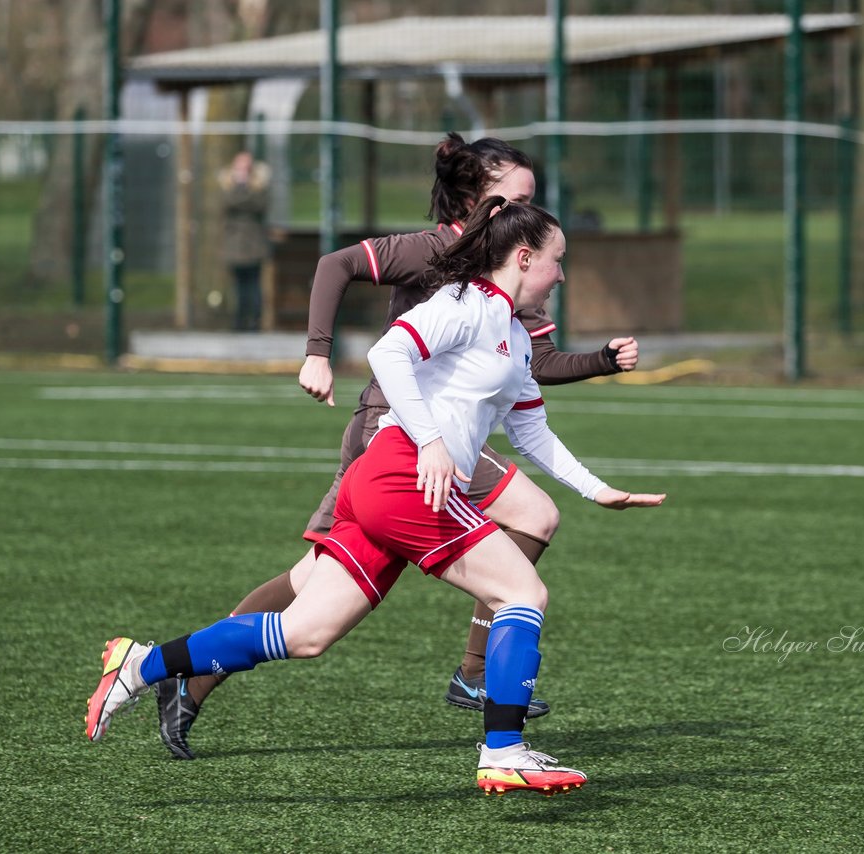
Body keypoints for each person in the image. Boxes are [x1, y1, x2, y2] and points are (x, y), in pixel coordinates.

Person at [86, 199, 666, 794]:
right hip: (402, 477)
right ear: (523, 258)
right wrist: (433, 442)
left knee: (305, 634)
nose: (561, 274)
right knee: (522, 590)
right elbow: (387, 353)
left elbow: (531, 431)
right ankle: (504, 749)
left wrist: (599, 491)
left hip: (389, 483)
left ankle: (141, 664)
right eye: (556, 260)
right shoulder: (465, 304)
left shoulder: (515, 336)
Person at [219, 150, 269, 331]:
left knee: (254, 286)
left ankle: (254, 322)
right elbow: (228, 203)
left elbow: (258, 205)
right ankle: (239, 323)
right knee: (239, 288)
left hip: (254, 247)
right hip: (234, 247)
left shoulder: (259, 187)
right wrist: (240, 187)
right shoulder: (227, 187)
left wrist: (244, 189)